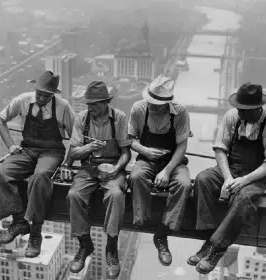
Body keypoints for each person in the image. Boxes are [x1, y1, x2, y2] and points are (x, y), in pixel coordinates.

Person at [0, 70, 76, 258]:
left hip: (52, 151)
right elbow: (0, 120)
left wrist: (68, 163)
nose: (40, 97)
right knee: (2, 172)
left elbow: (76, 137)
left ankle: (36, 231)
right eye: (38, 93)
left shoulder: (63, 107)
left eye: (45, 95)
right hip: (28, 149)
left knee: (40, 177)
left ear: (53, 94)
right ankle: (18, 221)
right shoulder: (23, 100)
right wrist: (10, 145)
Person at [188, 83, 266, 274]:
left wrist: (244, 180)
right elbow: (220, 148)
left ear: (257, 108)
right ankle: (209, 240)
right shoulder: (233, 116)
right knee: (203, 179)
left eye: (244, 110)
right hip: (229, 169)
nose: (239, 112)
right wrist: (228, 177)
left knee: (244, 198)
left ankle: (218, 248)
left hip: (256, 176)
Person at [62, 81, 131, 279]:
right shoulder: (81, 119)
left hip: (113, 167)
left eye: (94, 104)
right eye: (88, 104)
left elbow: (126, 152)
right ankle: (85, 244)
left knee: (116, 195)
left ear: (105, 103)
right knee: (74, 195)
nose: (90, 108)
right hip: (88, 167)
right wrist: (88, 149)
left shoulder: (118, 118)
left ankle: (111, 248)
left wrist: (117, 168)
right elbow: (74, 151)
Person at [128, 74, 192, 266]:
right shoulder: (139, 109)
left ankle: (163, 232)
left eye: (156, 104)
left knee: (184, 184)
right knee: (136, 176)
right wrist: (145, 150)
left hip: (173, 161)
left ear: (167, 103)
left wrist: (166, 171)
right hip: (146, 159)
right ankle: (141, 219)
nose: (152, 106)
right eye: (150, 102)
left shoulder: (180, 113)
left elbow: (182, 146)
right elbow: (129, 138)